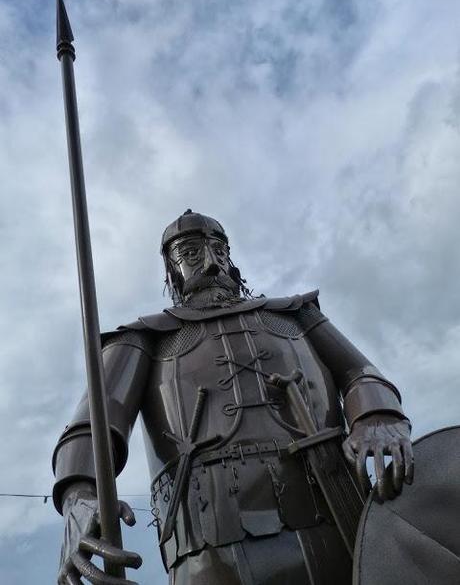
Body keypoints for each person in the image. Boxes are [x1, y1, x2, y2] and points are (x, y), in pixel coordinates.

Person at [53, 210, 413, 585]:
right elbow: (91, 427)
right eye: (191, 253)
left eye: (218, 251)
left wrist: (377, 415)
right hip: (212, 538)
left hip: (335, 509)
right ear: (172, 269)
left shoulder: (296, 315)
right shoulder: (143, 339)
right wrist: (78, 495)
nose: (210, 264)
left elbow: (361, 373)